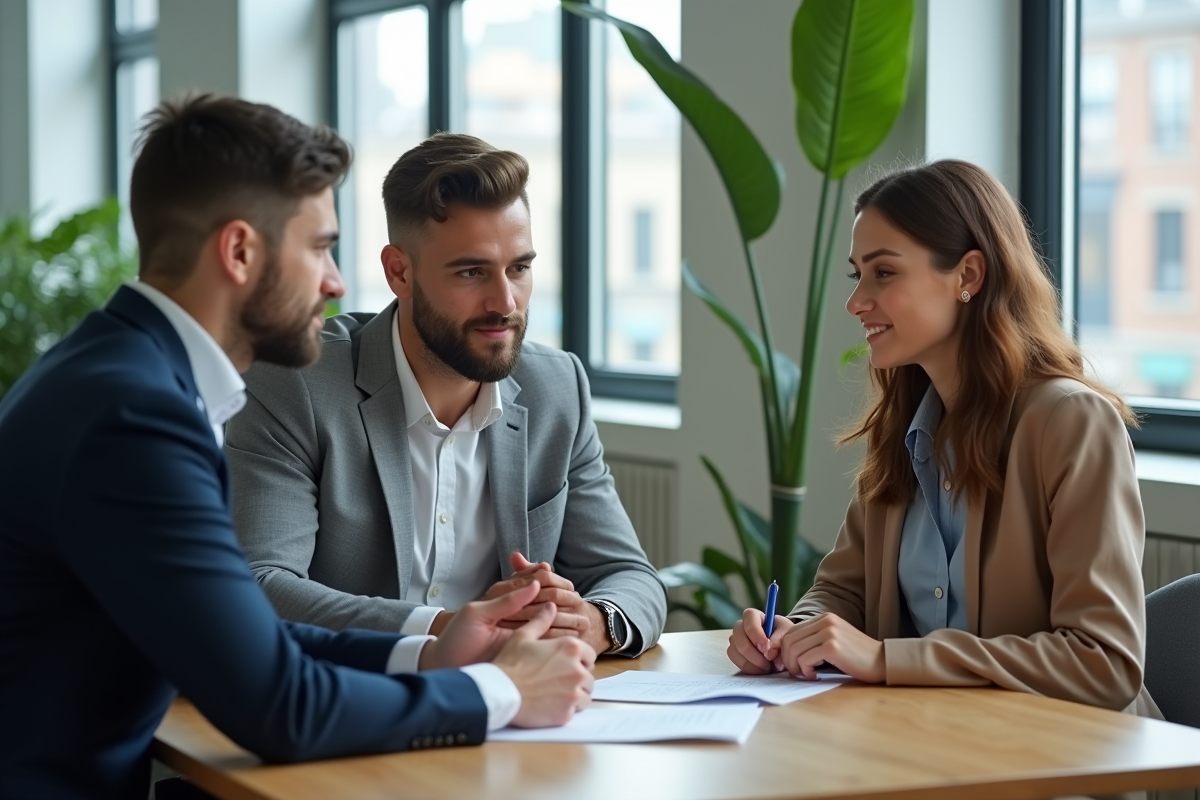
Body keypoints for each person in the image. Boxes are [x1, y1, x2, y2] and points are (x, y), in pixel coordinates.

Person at [0, 95, 595, 800]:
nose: (338, 282)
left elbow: (244, 636)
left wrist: (430, 654)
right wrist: (498, 689)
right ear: (241, 251)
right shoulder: (134, 417)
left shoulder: (116, 370)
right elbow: (280, 707)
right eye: (319, 247)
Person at [727, 160, 1160, 717]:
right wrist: (797, 635)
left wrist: (890, 660)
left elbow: (1103, 662)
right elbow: (844, 591)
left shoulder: (1072, 423)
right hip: (938, 744)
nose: (856, 301)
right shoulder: (906, 430)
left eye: (884, 273)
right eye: (857, 274)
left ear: (968, 276)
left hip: (1068, 765)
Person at [225, 133, 667, 657]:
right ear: (399, 272)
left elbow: (628, 574)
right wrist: (445, 630)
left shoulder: (557, 388)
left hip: (521, 704)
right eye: (472, 271)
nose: (505, 302)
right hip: (357, 699)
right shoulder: (296, 381)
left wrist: (593, 621)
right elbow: (262, 585)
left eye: (519, 268)